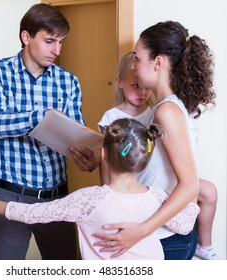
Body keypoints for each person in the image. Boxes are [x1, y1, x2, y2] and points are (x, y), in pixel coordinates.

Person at [0, 118, 200, 260]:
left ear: (103, 155)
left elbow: (34, 213)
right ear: (144, 161)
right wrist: (192, 187)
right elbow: (185, 222)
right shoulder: (158, 198)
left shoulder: (89, 200)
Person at [0, 3, 97, 260]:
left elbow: (74, 134)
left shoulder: (68, 81)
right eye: (49, 41)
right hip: (10, 197)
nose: (57, 50)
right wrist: (41, 117)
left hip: (57, 200)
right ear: (26, 37)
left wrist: (87, 156)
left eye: (61, 42)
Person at [92, 21, 216, 260]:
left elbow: (189, 185)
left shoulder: (166, 112)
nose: (135, 67)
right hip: (161, 235)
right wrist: (99, 158)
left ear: (157, 63)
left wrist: (142, 229)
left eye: (138, 58)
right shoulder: (162, 109)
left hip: (165, 237)